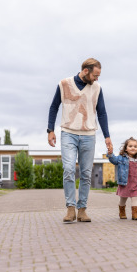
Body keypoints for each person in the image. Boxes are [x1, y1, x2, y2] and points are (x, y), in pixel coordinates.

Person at [47, 58, 113, 223]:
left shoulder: (97, 88)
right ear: (85, 71)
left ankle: (82, 209)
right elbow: (54, 106)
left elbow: (102, 113)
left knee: (85, 174)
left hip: (89, 134)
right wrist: (50, 130)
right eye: (95, 75)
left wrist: (107, 137)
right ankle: (70, 208)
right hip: (68, 132)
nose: (97, 78)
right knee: (68, 169)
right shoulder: (64, 84)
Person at [107, 137, 137, 220]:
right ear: (126, 148)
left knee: (135, 198)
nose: (133, 148)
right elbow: (113, 160)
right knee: (123, 199)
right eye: (130, 146)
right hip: (124, 183)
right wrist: (110, 154)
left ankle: (135, 214)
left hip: (136, 183)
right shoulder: (121, 158)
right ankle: (122, 212)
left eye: (135, 146)